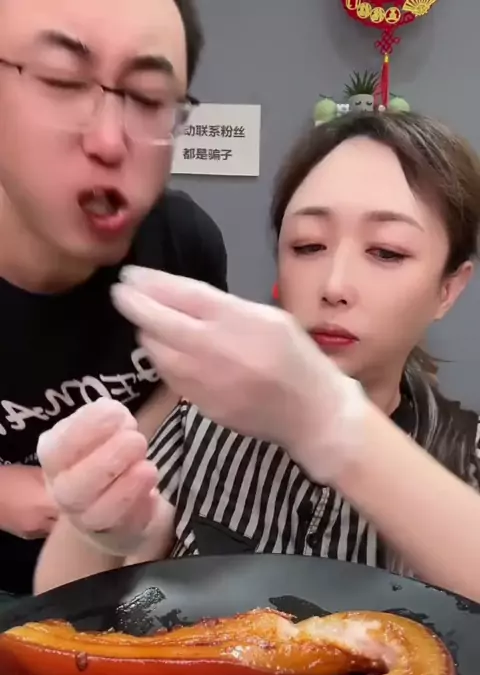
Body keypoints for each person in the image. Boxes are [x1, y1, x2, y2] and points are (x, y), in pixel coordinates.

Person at [35, 111, 480, 601]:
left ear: (448, 289)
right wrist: (99, 534)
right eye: (308, 246)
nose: (334, 286)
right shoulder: (200, 422)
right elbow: (62, 604)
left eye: (387, 252)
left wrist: (331, 425)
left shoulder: (467, 453)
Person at [0, 0, 227, 596]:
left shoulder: (184, 245)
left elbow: (180, 379)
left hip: (115, 588)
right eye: (60, 80)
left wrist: (116, 466)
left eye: (149, 99)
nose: (109, 141)